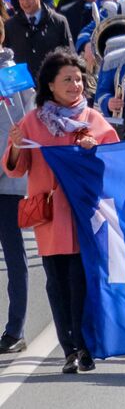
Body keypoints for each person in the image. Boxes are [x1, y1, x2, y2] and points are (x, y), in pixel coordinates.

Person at [4, 50, 119, 373]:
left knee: (82, 281)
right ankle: (69, 348)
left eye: (79, 79)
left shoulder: (94, 120)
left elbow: (114, 160)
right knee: (57, 283)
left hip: (85, 217)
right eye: (67, 79)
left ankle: (86, 345)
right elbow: (16, 170)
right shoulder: (31, 121)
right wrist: (15, 145)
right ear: (50, 85)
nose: (74, 85)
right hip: (51, 218)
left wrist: (92, 149)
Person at [0, 23, 32, 356]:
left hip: (6, 180)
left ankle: (15, 329)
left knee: (13, 256)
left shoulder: (12, 73)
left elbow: (26, 122)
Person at [4, 0, 74, 80]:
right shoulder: (10, 25)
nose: (25, 2)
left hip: (52, 83)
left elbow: (69, 54)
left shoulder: (59, 22)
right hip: (23, 87)